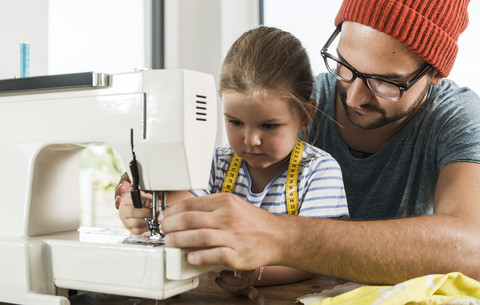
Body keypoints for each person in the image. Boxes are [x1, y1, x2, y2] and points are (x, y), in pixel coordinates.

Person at [116, 26, 349, 300]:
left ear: (305, 115)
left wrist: (256, 272)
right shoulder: (216, 162)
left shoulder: (319, 171)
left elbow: (313, 256)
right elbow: (183, 209)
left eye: (269, 126)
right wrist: (144, 207)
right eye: (235, 122)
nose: (251, 140)